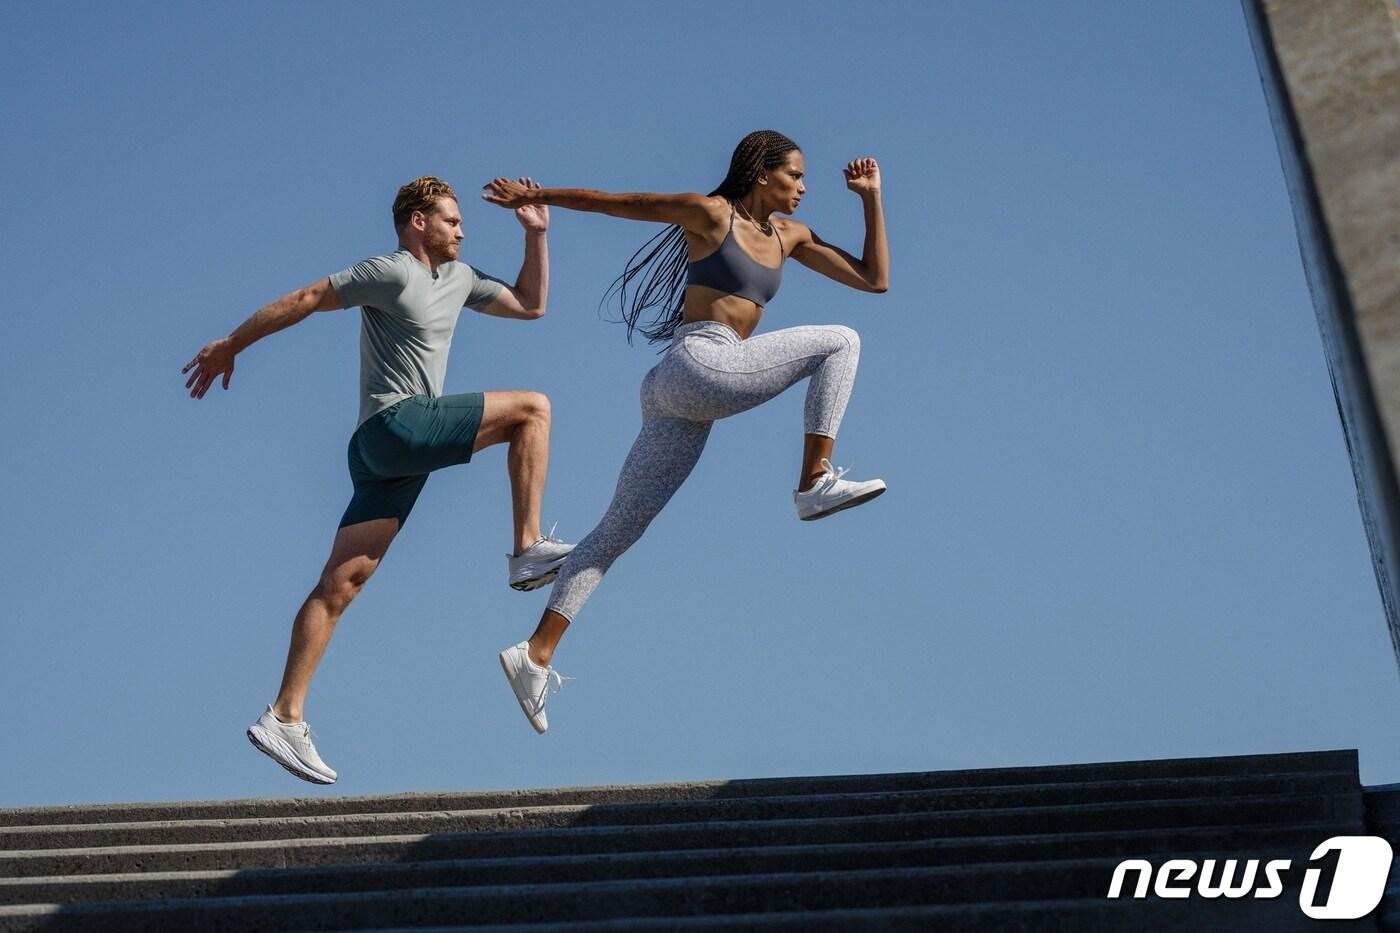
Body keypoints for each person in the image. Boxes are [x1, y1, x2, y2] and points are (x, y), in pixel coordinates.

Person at [481, 130, 890, 734]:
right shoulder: (710, 213)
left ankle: (535, 653)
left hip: (677, 393)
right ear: (760, 173)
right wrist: (535, 197)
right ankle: (813, 480)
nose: (803, 187)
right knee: (842, 341)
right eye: (794, 175)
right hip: (701, 361)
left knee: (618, 530)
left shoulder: (791, 236)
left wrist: (870, 198)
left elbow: (874, 278)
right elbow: (619, 202)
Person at [183, 176, 574, 784]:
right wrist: (233, 344)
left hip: (388, 457)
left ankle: (284, 715)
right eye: (451, 220)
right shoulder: (390, 272)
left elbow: (531, 304)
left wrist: (537, 236)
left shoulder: (462, 279)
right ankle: (526, 549)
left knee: (342, 584)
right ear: (418, 222)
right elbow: (309, 297)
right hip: (396, 426)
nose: (462, 230)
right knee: (534, 409)